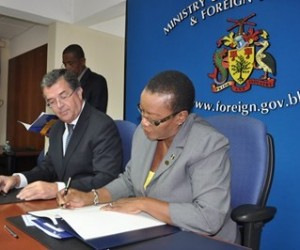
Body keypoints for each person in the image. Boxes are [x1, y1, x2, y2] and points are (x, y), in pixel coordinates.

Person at [57, 70, 238, 243]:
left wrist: (143, 203)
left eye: (153, 119)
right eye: (142, 111)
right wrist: (90, 197)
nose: (143, 123)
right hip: (154, 231)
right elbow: (129, 180)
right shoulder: (144, 135)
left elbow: (209, 218)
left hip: (200, 240)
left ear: (180, 117)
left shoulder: (207, 144)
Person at [0, 69, 122, 200]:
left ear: (79, 93)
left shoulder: (101, 126)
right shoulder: (57, 128)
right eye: (52, 101)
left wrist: (57, 188)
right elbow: (49, 168)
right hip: (62, 204)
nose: (59, 105)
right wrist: (17, 179)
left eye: (63, 96)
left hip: (90, 205)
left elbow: (106, 178)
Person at [62, 44, 108, 113]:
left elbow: (97, 114)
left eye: (70, 63)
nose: (67, 67)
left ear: (82, 61)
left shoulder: (97, 81)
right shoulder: (69, 84)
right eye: (65, 64)